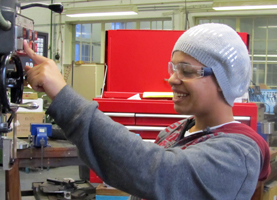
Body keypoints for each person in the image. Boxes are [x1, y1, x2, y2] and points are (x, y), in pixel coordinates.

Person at [24, 23, 270, 200]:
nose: (172, 79)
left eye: (186, 70)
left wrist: (64, 96)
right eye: (173, 68)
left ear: (223, 80)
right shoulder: (176, 130)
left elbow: (156, 171)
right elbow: (133, 175)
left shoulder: (240, 154)